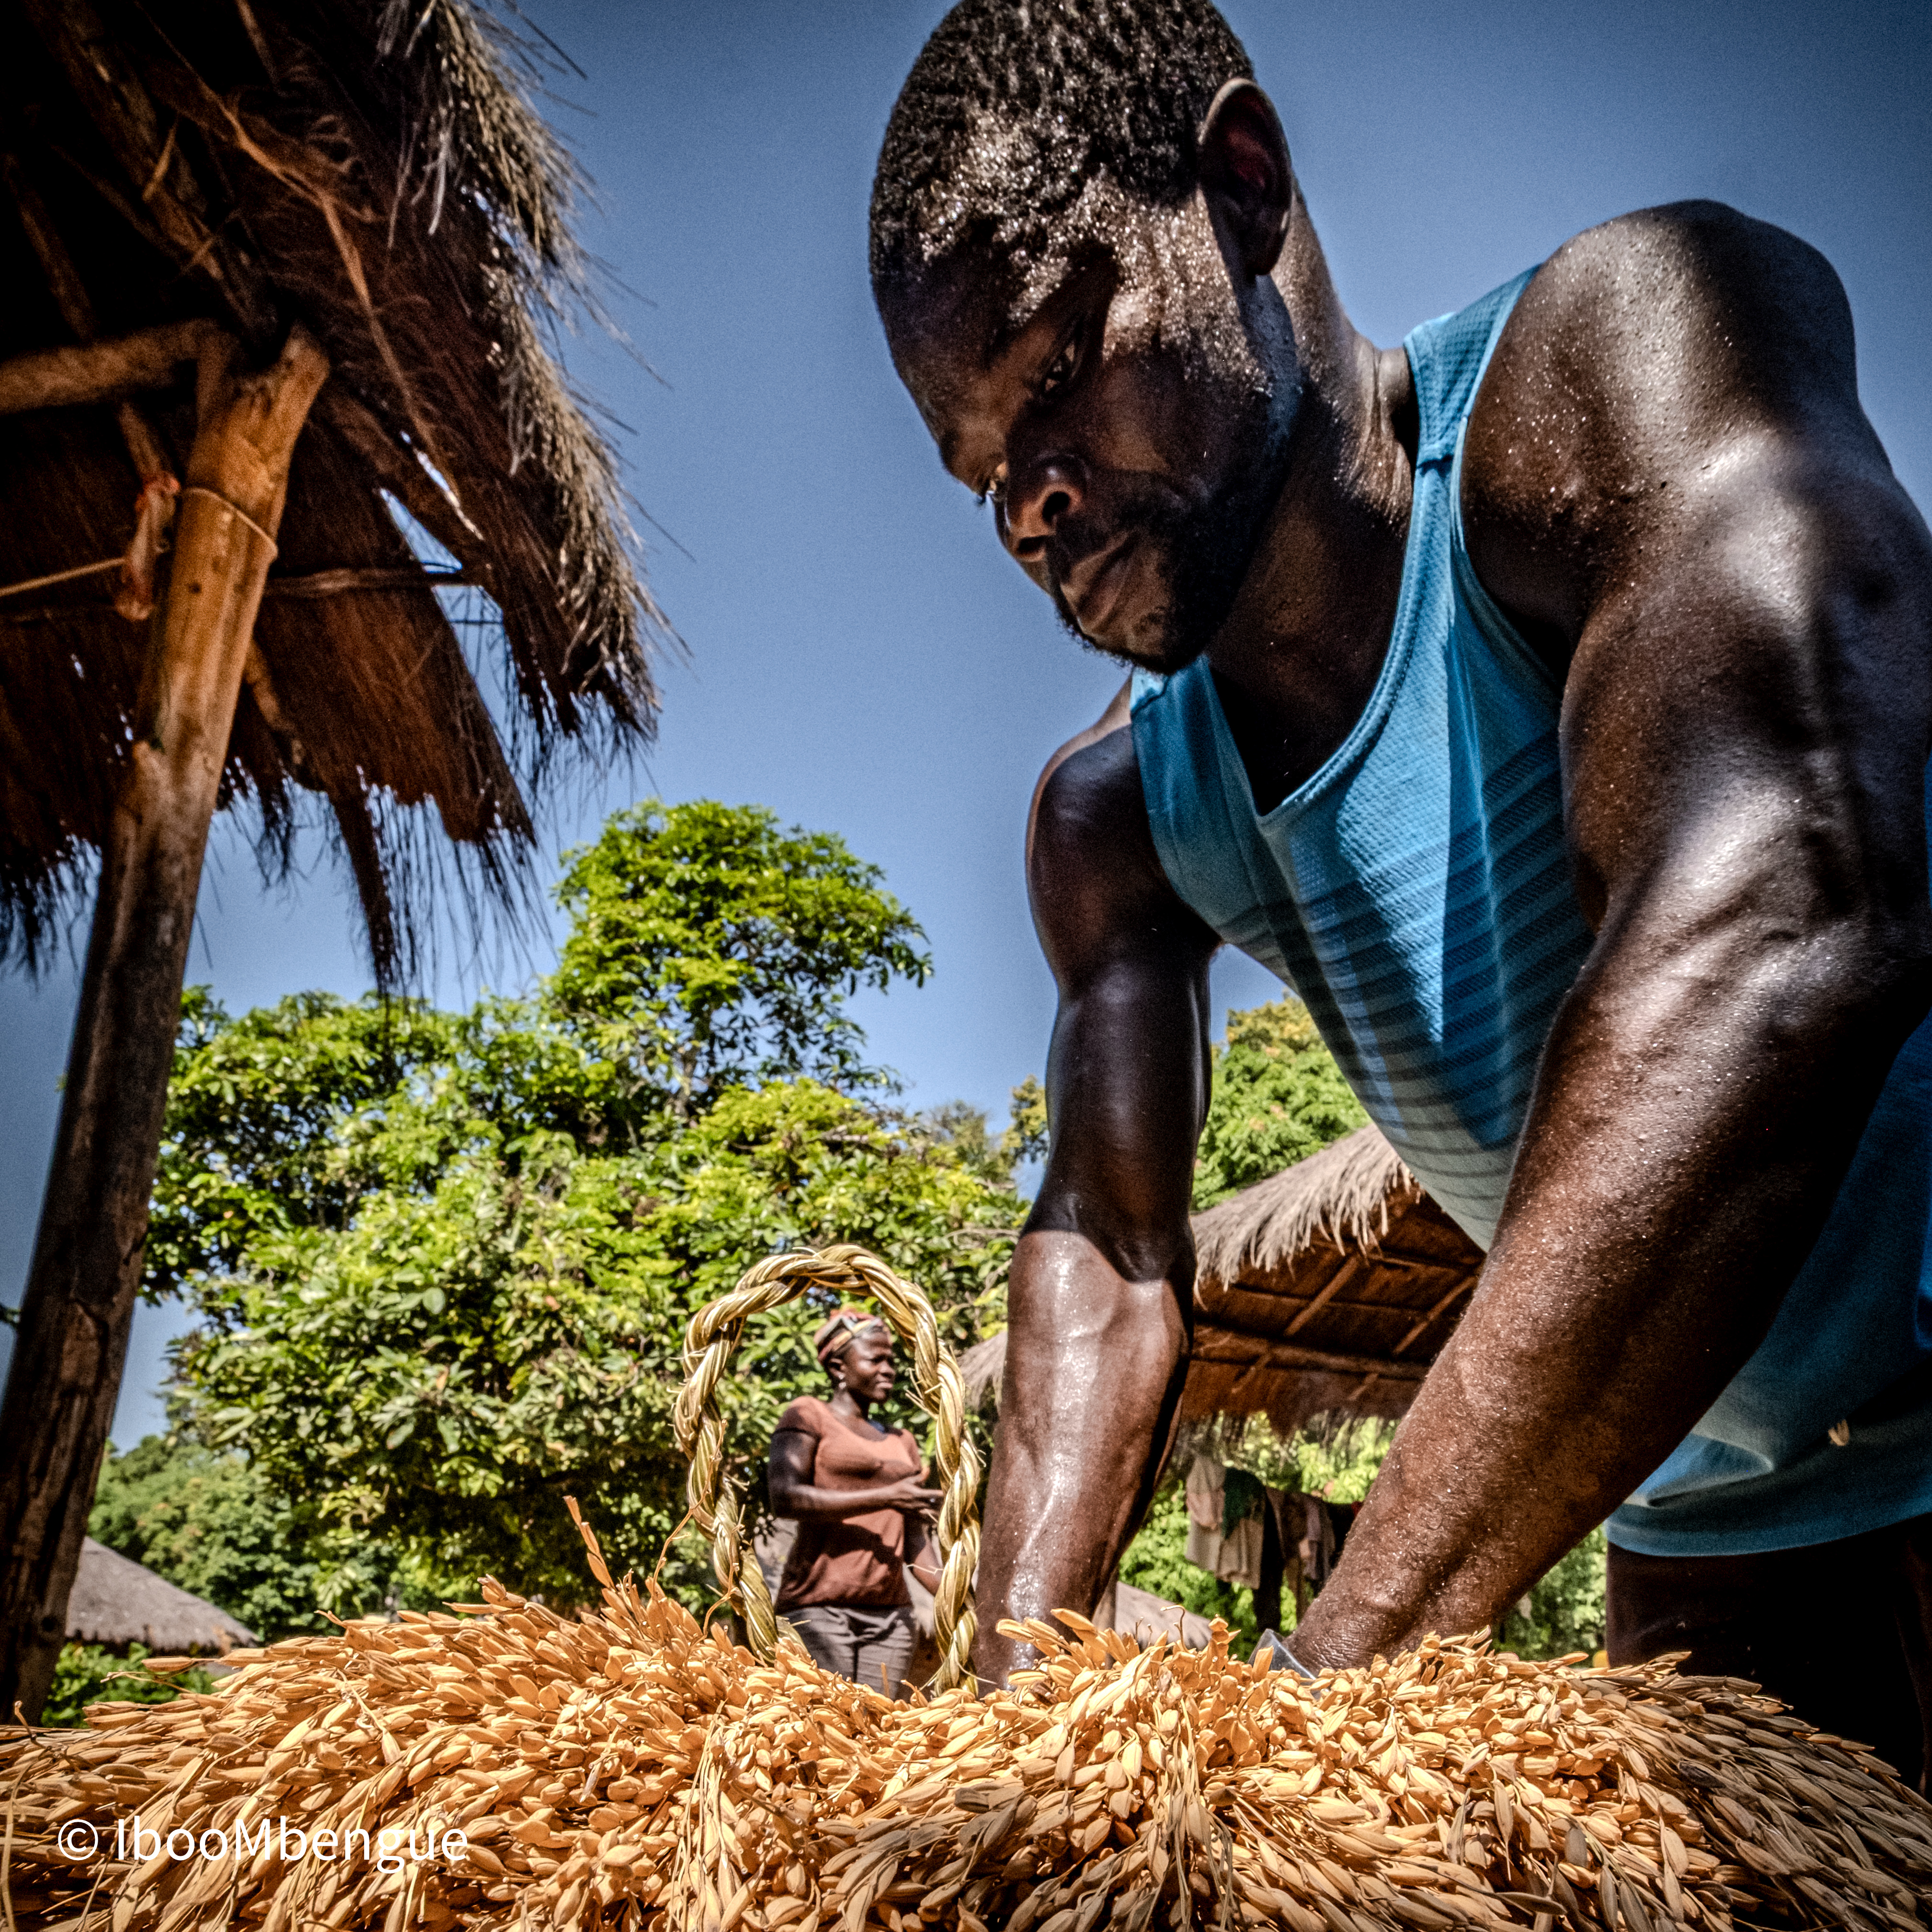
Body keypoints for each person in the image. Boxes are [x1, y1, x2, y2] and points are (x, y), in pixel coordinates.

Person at [867, 0, 1932, 1777]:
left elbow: (1780, 926)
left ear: (1241, 184)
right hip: (1719, 1540)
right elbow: (1111, 1257)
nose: (1032, 504)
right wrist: (1007, 1751)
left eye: (1056, 370)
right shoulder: (1118, 819)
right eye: (983, 472)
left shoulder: (1613, 367)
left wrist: (1317, 1690)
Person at [767, 1310, 943, 1696]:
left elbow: (914, 1541)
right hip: (818, 1610)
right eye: (875, 1359)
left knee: (876, 1735)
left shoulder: (904, 1442)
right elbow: (785, 1497)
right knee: (826, 1732)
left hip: (892, 1618)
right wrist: (887, 1495)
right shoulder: (808, 1414)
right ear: (838, 1366)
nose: (888, 1369)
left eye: (892, 1361)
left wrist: (955, 1593)